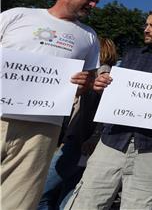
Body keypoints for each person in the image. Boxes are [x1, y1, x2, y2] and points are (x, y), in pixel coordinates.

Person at [65, 8, 152, 210]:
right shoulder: (131, 55)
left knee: (141, 205)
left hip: (150, 147)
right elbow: (116, 95)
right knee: (88, 200)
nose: (146, 29)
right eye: (146, 25)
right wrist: (102, 87)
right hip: (112, 141)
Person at [0, 0, 103, 210]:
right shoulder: (17, 15)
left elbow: (87, 82)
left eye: (96, 0)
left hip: (43, 126)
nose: (93, 5)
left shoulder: (88, 36)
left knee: (20, 196)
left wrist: (82, 85)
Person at [38, 37, 118, 210]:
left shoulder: (101, 74)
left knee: (41, 192)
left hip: (78, 141)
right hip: (83, 142)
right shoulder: (97, 74)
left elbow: (103, 111)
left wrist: (94, 136)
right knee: (69, 192)